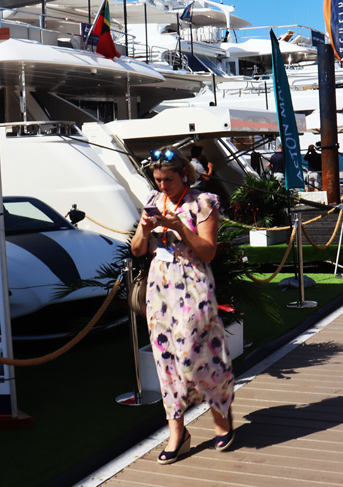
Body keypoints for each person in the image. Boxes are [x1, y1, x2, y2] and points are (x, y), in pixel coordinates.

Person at [130, 147, 234, 464]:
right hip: (160, 288)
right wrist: (145, 231)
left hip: (194, 283)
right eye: (158, 179)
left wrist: (179, 227)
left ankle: (221, 414)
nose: (162, 185)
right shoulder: (152, 201)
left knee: (194, 352)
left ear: (184, 174)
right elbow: (137, 250)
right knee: (166, 359)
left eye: (168, 179)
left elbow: (207, 252)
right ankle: (178, 433)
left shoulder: (203, 202)